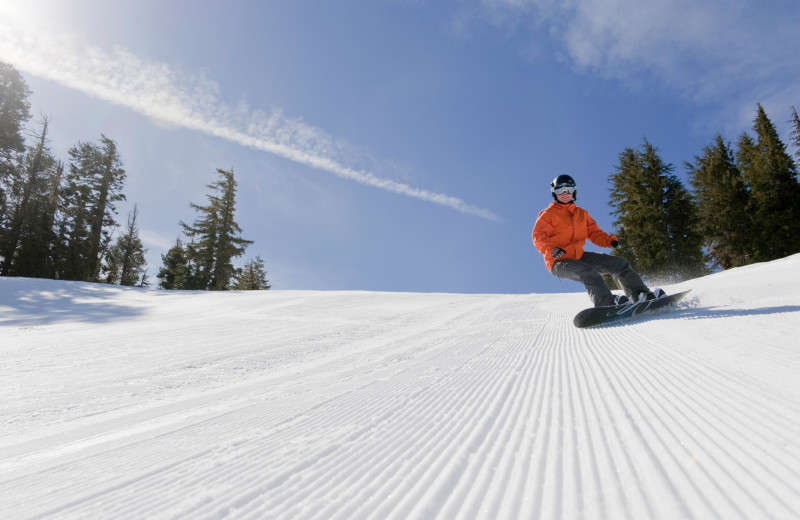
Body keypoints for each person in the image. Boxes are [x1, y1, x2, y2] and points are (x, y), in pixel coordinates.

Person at [532, 174, 663, 307]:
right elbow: (538, 236)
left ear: (574, 192)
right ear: (554, 193)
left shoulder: (582, 214)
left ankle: (640, 294)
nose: (565, 194)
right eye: (560, 190)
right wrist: (552, 250)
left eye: (569, 190)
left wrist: (609, 240)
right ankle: (606, 303)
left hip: (579, 256)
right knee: (587, 270)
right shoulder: (548, 214)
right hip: (558, 261)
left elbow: (594, 233)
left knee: (620, 264)